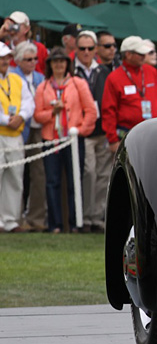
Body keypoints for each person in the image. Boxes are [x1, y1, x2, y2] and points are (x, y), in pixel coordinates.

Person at [33, 47, 96, 233]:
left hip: (73, 140)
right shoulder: (43, 87)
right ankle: (56, 225)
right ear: (50, 64)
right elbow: (37, 115)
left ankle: (76, 222)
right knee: (52, 181)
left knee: (74, 180)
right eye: (55, 61)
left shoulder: (77, 83)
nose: (59, 65)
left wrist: (81, 130)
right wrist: (52, 112)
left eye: (62, 61)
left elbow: (91, 111)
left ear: (67, 64)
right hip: (50, 139)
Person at [101, 36, 157, 153]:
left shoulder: (151, 72)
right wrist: (112, 140)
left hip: (155, 134)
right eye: (140, 53)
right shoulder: (114, 78)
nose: (144, 56)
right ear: (128, 54)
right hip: (128, 135)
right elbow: (109, 111)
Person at [74, 30, 112, 233]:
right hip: (83, 131)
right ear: (76, 50)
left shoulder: (104, 71)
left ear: (95, 49)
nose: (86, 52)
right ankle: (86, 216)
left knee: (103, 174)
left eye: (90, 48)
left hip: (102, 130)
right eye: (82, 48)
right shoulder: (72, 71)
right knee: (88, 172)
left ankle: (98, 217)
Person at [11, 41, 47, 231]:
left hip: (39, 128)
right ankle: (13, 218)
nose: (33, 62)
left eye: (35, 59)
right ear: (17, 61)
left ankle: (36, 217)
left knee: (38, 174)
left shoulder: (40, 77)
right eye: (28, 59)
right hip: (17, 129)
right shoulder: (11, 76)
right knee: (16, 174)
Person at [0, 42, 34, 233]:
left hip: (15, 135)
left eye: (7, 58)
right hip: (2, 132)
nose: (5, 61)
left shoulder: (16, 79)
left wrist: (20, 116)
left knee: (15, 177)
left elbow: (29, 102)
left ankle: (11, 219)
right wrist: (6, 120)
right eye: (2, 58)